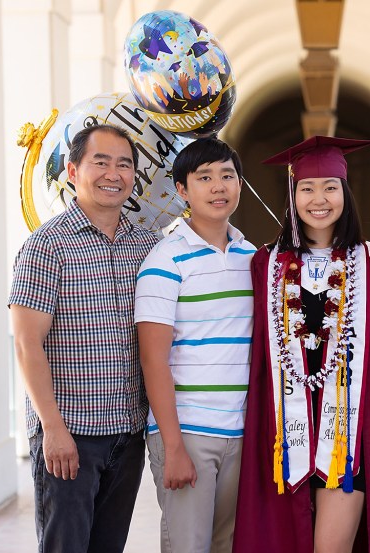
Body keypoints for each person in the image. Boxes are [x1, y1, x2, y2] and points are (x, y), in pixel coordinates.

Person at [233, 136, 370, 553]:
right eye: (307, 188)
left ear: (345, 194)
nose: (319, 199)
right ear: (293, 195)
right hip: (283, 439)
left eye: (330, 187)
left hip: (347, 441)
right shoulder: (266, 263)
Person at [9, 124, 159, 553]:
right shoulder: (47, 246)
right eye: (101, 162)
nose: (114, 173)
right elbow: (26, 343)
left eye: (125, 164)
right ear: (73, 170)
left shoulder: (146, 245)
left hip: (127, 435)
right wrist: (53, 430)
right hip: (69, 437)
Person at [134, 138, 255, 553]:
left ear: (240, 185)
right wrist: (173, 447)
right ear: (183, 190)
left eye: (227, 175)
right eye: (205, 177)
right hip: (188, 432)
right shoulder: (164, 261)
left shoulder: (252, 257)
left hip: (241, 433)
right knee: (189, 546)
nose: (218, 186)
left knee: (229, 545)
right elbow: (153, 360)